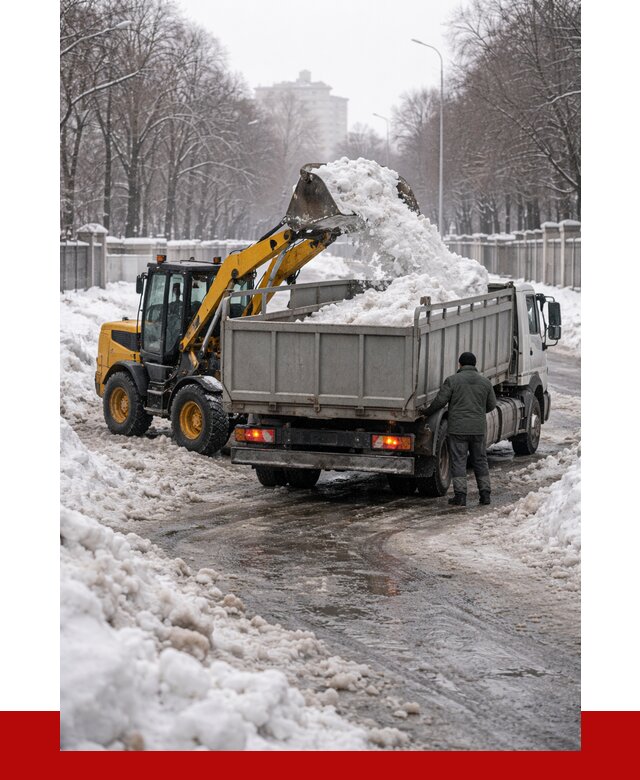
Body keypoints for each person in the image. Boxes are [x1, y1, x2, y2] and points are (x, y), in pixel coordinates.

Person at [424, 352, 497, 507]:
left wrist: (427, 412)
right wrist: (477, 412)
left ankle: (461, 496)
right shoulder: (485, 382)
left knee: (459, 461)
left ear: (460, 364)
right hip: (478, 429)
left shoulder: (452, 380)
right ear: (475, 364)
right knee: (480, 460)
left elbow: (440, 401)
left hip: (458, 429)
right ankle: (485, 495)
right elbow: (491, 405)